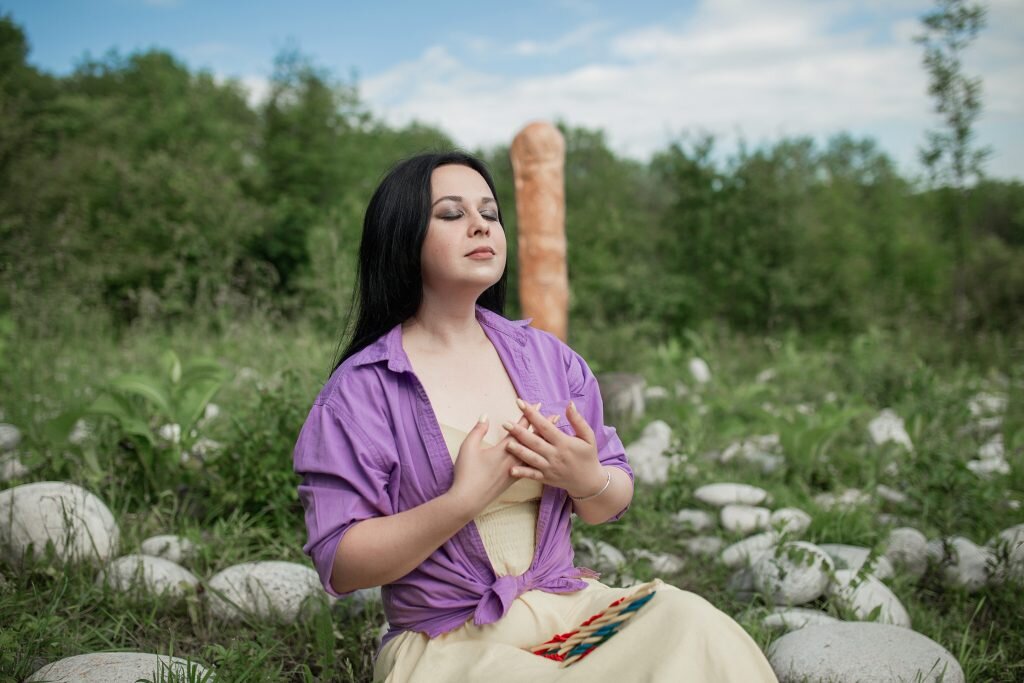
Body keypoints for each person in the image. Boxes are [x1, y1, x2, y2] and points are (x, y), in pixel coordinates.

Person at [292, 151, 778, 682]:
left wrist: (586, 478)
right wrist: (461, 501)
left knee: (691, 623)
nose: (480, 225)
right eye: (452, 214)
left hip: (568, 612)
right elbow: (341, 561)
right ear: (402, 237)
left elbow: (612, 497)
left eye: (490, 213)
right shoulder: (364, 388)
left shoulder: (548, 359)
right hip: (449, 640)